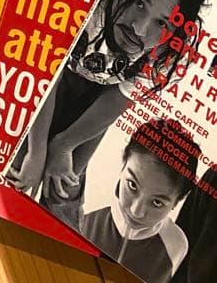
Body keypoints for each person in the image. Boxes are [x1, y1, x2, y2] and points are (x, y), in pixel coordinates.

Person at [8, 0, 212, 227]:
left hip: (100, 99)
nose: (139, 28)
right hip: (52, 76)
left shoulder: (172, 51)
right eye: (139, 3)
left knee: (65, 186)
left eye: (161, 23)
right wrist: (38, 148)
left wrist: (64, 146)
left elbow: (117, 99)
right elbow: (46, 67)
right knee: (21, 164)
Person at [80, 119, 200, 283]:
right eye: (132, 185)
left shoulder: (176, 245)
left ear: (179, 200)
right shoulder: (85, 210)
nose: (136, 211)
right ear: (123, 162)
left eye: (157, 202)